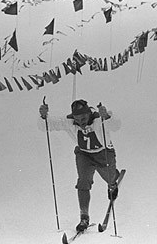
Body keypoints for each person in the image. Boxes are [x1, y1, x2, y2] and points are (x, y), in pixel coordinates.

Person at [38, 99, 122, 232]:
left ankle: (113, 182)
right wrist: (43, 116)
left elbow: (116, 126)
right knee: (83, 181)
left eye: (83, 118)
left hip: (103, 153)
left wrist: (106, 116)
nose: (81, 122)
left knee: (110, 177)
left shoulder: (98, 120)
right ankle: (84, 217)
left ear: (88, 114)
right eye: (77, 118)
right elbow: (47, 126)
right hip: (84, 155)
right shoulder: (70, 123)